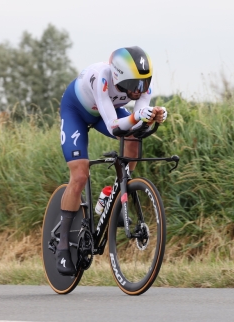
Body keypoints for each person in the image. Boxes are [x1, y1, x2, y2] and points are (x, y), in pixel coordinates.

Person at [56, 46, 168, 275]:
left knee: (134, 138)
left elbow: (136, 123)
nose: (141, 90)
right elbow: (114, 126)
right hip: (76, 112)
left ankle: (112, 192)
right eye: (135, 85)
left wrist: (153, 116)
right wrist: (138, 116)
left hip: (104, 111)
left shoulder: (143, 85)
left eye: (145, 83)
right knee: (79, 175)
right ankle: (63, 245)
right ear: (119, 77)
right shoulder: (102, 79)